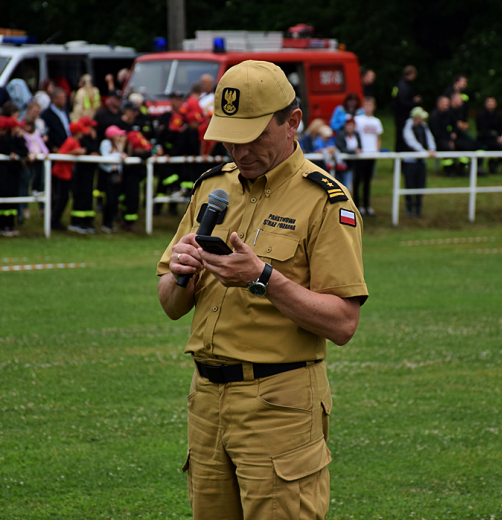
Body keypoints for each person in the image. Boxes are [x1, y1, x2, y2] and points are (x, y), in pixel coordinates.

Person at [157, 59, 368, 520]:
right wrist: (181, 273)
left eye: (254, 135)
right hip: (207, 402)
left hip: (280, 404)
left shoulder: (324, 200)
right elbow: (171, 305)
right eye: (230, 134)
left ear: (292, 123)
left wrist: (263, 278)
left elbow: (343, 322)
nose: (239, 148)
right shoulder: (212, 189)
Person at [0, 116, 28, 237]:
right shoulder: (3, 140)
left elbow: (24, 151)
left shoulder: (16, 139)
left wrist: (20, 140)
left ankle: (7, 225)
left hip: (10, 176)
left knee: (10, 201)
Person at [51, 122, 88, 231]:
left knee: (65, 198)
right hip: (61, 173)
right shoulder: (70, 141)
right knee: (61, 198)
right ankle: (54, 220)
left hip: (67, 173)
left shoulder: (75, 142)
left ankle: (56, 220)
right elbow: (60, 155)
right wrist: (74, 152)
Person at [402, 106, 436, 217]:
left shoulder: (424, 126)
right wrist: (424, 151)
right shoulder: (408, 126)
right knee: (410, 185)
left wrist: (432, 149)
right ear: (416, 117)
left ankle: (418, 207)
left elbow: (429, 138)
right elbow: (411, 141)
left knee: (420, 185)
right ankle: (409, 207)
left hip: (421, 162)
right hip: (410, 162)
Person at [68, 117, 100, 234]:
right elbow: (87, 149)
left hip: (90, 171)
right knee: (81, 196)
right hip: (81, 171)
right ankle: (76, 222)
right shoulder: (80, 139)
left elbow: (95, 149)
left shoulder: (91, 138)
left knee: (88, 197)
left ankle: (87, 222)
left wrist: (94, 139)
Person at [354, 96, 383, 216]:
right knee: (357, 181)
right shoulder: (358, 119)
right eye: (366, 105)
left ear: (374, 107)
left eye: (370, 105)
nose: (368, 108)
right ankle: (356, 205)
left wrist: (377, 150)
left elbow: (378, 137)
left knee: (367, 181)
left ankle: (366, 205)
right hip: (361, 155)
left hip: (371, 154)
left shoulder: (376, 121)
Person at [98, 125, 128, 233]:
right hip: (108, 174)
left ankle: (110, 222)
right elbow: (106, 158)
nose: (120, 136)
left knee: (115, 200)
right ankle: (106, 223)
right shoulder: (105, 143)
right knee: (110, 200)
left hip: (116, 174)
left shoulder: (118, 145)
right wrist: (119, 157)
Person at [449, 92, 485, 176]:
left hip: (462, 135)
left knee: (479, 146)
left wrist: (463, 125)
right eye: (459, 99)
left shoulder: (461, 110)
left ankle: (477, 167)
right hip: (454, 138)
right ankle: (462, 169)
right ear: (453, 100)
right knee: (468, 147)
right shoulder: (449, 112)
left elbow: (463, 124)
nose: (462, 101)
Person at [391, 65, 421, 152]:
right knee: (402, 137)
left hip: (398, 114)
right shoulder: (404, 86)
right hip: (402, 116)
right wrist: (414, 102)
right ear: (410, 74)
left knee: (400, 136)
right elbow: (403, 102)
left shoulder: (399, 85)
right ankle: (401, 157)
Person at [476, 96, 502, 174]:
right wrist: (494, 136)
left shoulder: (498, 115)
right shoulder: (481, 115)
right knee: (496, 146)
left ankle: (494, 164)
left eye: (492, 102)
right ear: (485, 104)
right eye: (488, 102)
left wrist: (500, 136)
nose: (490, 104)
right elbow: (481, 129)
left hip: (496, 138)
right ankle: (484, 166)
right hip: (484, 138)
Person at [429, 96, 457, 176]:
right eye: (444, 104)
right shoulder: (434, 116)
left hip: (448, 139)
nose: (446, 106)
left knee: (462, 144)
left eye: (448, 104)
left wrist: (454, 133)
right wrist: (449, 140)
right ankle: (448, 170)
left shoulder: (449, 113)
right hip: (438, 140)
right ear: (438, 104)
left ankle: (460, 168)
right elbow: (437, 133)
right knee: (447, 147)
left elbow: (454, 124)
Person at [334, 115, 362, 190]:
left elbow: (360, 147)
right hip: (343, 164)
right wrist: (354, 151)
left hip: (355, 164)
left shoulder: (356, 135)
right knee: (345, 185)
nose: (349, 127)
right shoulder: (340, 134)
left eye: (351, 125)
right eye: (348, 125)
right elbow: (341, 148)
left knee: (353, 185)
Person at [41, 89, 71, 153]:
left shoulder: (65, 111)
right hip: (56, 148)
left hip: (68, 146)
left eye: (65, 97)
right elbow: (46, 131)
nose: (64, 100)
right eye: (61, 98)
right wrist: (51, 146)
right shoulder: (46, 114)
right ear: (54, 99)